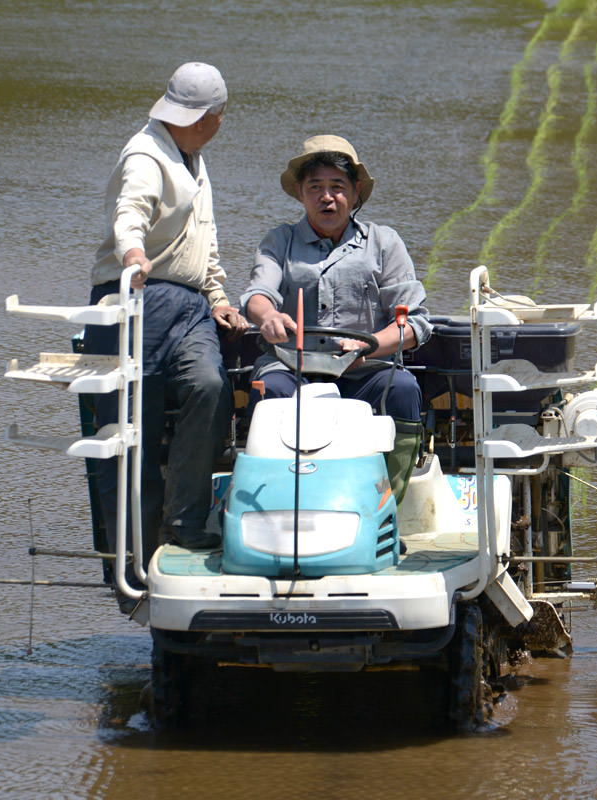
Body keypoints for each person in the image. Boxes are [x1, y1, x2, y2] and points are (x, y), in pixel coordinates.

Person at [85, 62, 248, 559]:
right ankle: (133, 547)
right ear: (211, 117)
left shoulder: (192, 156)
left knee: (210, 387)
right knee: (134, 426)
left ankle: (184, 523)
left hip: (190, 304)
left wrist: (218, 297)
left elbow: (204, 243)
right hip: (139, 296)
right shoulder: (145, 153)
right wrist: (133, 254)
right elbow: (129, 213)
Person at [240, 135, 431, 503]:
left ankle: (385, 505)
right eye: (316, 187)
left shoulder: (384, 243)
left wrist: (369, 346)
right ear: (300, 193)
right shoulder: (279, 241)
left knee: (404, 390)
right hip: (290, 368)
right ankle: (276, 504)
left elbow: (415, 323)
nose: (327, 197)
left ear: (356, 192)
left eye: (337, 187)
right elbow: (256, 295)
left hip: (365, 372)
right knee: (273, 393)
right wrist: (267, 317)